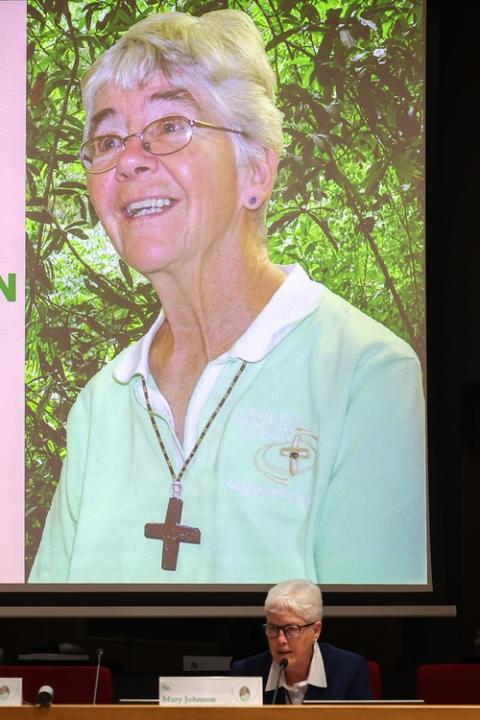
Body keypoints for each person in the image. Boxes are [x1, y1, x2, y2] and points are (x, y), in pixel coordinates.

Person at [29, 9, 426, 583]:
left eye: (169, 125)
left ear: (256, 172)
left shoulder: (365, 375)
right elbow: (52, 650)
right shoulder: (101, 408)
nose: (130, 159)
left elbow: (369, 655)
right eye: (108, 139)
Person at [230, 579, 373, 703]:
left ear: (316, 631)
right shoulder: (245, 673)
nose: (280, 640)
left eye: (291, 629)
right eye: (272, 628)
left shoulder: (349, 671)